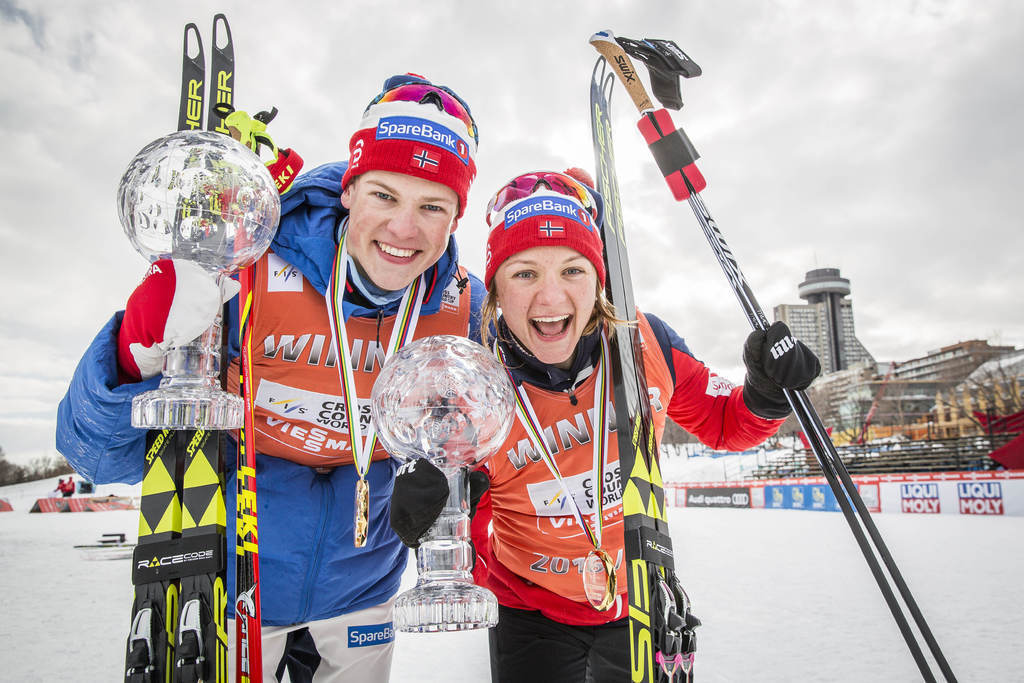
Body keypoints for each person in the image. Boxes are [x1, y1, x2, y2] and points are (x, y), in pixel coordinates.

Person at [56, 73, 485, 682]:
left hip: (365, 587)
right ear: (349, 189)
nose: (403, 229)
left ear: (455, 217)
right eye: (385, 196)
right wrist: (135, 351)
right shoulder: (248, 264)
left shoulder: (458, 311)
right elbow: (95, 456)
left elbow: (485, 446)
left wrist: (448, 478)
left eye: (432, 206)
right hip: (238, 578)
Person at [388, 169, 821, 682]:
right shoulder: (475, 383)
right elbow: (467, 531)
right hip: (532, 614)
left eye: (573, 270)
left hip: (640, 600)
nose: (550, 300)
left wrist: (767, 393)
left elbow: (726, 424)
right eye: (524, 273)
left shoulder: (643, 343)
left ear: (600, 281)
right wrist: (437, 518)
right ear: (497, 290)